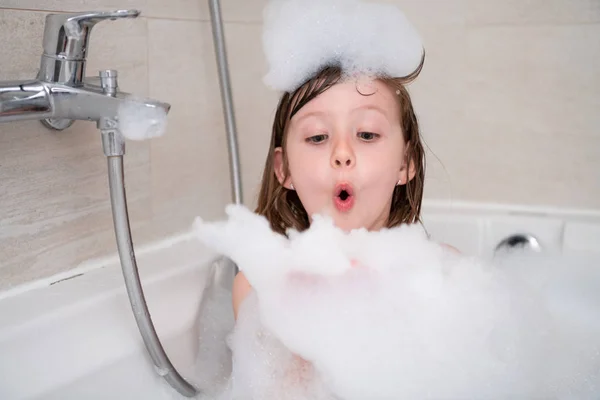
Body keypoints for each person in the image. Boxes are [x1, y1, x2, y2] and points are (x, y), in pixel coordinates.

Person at [231, 58, 460, 319]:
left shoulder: (445, 273)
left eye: (366, 134)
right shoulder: (259, 286)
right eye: (317, 137)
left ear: (405, 163)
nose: (342, 153)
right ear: (285, 170)